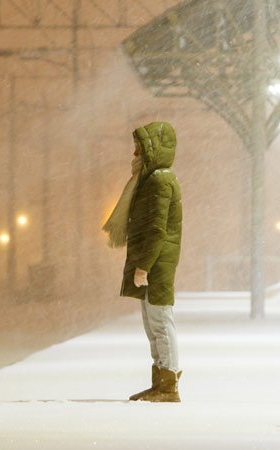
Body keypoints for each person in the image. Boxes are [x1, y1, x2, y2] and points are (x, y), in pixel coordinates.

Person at [103, 121, 183, 402]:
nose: (134, 155)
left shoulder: (159, 181)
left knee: (160, 322)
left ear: (152, 150)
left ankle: (168, 385)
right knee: (153, 324)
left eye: (138, 149)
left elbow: (156, 230)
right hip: (155, 263)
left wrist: (143, 266)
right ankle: (161, 381)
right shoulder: (153, 180)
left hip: (157, 265)